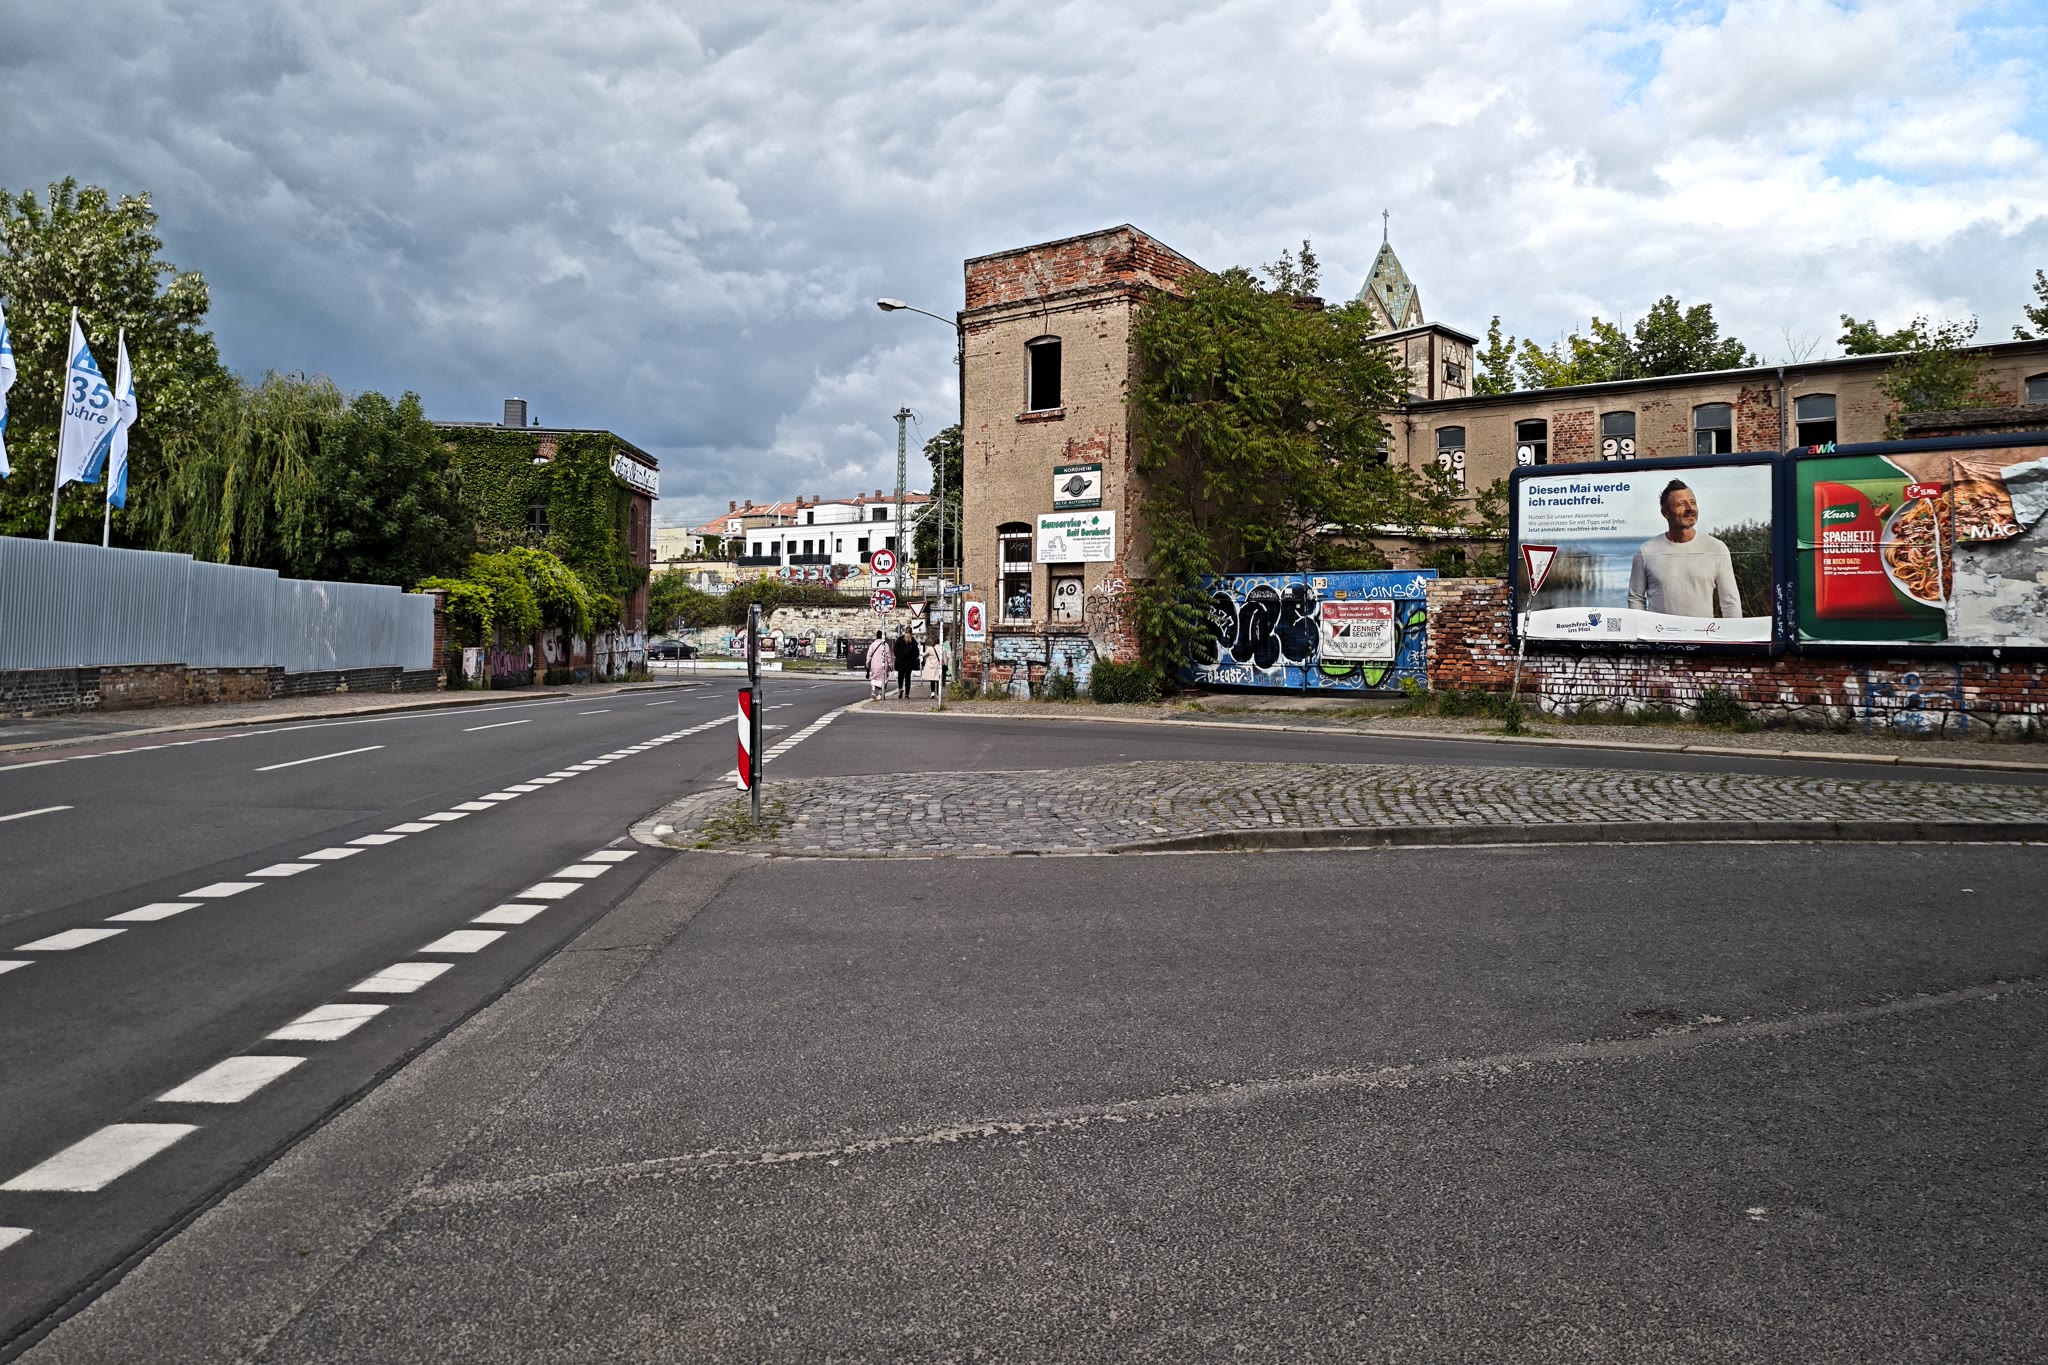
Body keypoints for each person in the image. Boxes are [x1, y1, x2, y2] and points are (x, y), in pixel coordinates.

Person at [1628, 479, 1741, 618]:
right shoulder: (1646, 551)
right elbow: (1636, 598)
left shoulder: (1716, 548)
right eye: (1681, 504)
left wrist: (1732, 631)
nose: (1690, 508)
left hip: (1703, 632)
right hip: (1660, 632)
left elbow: (1730, 601)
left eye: (1693, 502)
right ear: (1665, 513)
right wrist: (1645, 629)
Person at [864, 629, 892, 701]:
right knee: (883, 679)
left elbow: (869, 655)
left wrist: (867, 664)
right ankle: (880, 694)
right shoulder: (885, 645)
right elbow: (889, 656)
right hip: (883, 664)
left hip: (874, 664)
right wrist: (891, 665)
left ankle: (873, 689)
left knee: (874, 677)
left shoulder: (873, 645)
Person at [892, 628, 917, 700]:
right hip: (909, 662)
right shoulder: (912, 640)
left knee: (900, 677)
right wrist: (913, 658)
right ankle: (907, 694)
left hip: (900, 662)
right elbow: (916, 652)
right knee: (908, 678)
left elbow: (895, 649)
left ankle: (900, 688)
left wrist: (898, 656)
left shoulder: (900, 639)